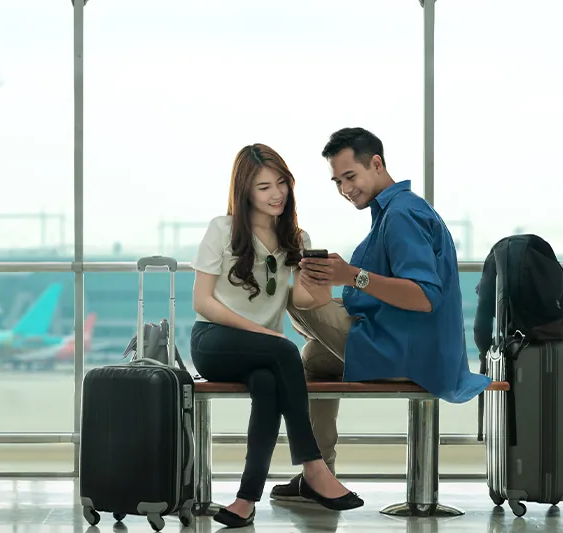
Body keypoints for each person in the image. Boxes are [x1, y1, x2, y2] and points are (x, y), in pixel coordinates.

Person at [270, 127, 492, 502]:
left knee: (293, 293)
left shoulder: (402, 215)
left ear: (376, 163)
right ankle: (318, 473)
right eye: (337, 181)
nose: (345, 189)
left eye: (351, 176)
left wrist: (350, 276)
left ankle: (256, 345)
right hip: (403, 338)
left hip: (409, 350)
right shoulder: (393, 211)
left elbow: (424, 296)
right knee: (311, 360)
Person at [191, 143, 365, 528]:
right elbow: (202, 301)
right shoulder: (222, 230)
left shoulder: (295, 238)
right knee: (285, 352)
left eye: (281, 183)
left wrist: (319, 284)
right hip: (214, 342)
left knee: (269, 385)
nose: (276, 194)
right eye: (264, 187)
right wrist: (259, 332)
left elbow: (302, 299)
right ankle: (314, 467)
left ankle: (245, 499)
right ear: (245, 192)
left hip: (264, 354)